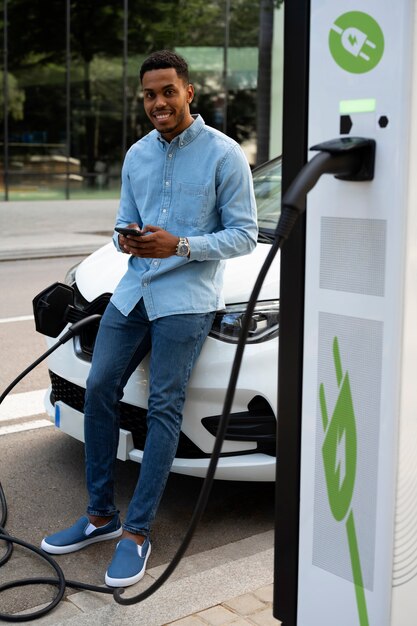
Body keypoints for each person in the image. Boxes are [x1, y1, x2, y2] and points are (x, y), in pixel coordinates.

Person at [41, 50, 258, 587]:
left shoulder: (224, 155)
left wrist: (179, 245)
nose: (158, 102)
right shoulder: (137, 155)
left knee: (164, 407)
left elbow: (245, 236)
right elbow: (122, 222)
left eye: (167, 91)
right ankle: (100, 516)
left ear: (189, 92)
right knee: (98, 390)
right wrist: (125, 236)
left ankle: (137, 531)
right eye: (149, 94)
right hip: (133, 290)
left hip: (187, 301)